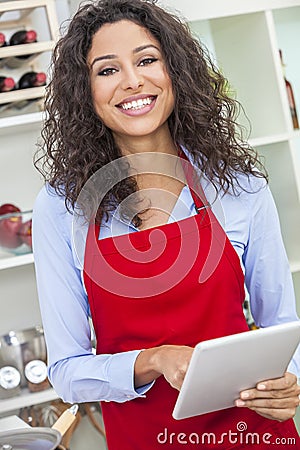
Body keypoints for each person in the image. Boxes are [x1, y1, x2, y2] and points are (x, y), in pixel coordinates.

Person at [32, 0, 300, 448]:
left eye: (147, 60)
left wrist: (288, 381)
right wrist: (154, 360)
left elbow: (283, 327)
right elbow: (67, 373)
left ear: (175, 70)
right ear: (85, 91)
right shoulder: (62, 207)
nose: (133, 80)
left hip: (253, 432)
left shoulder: (237, 186)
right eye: (107, 70)